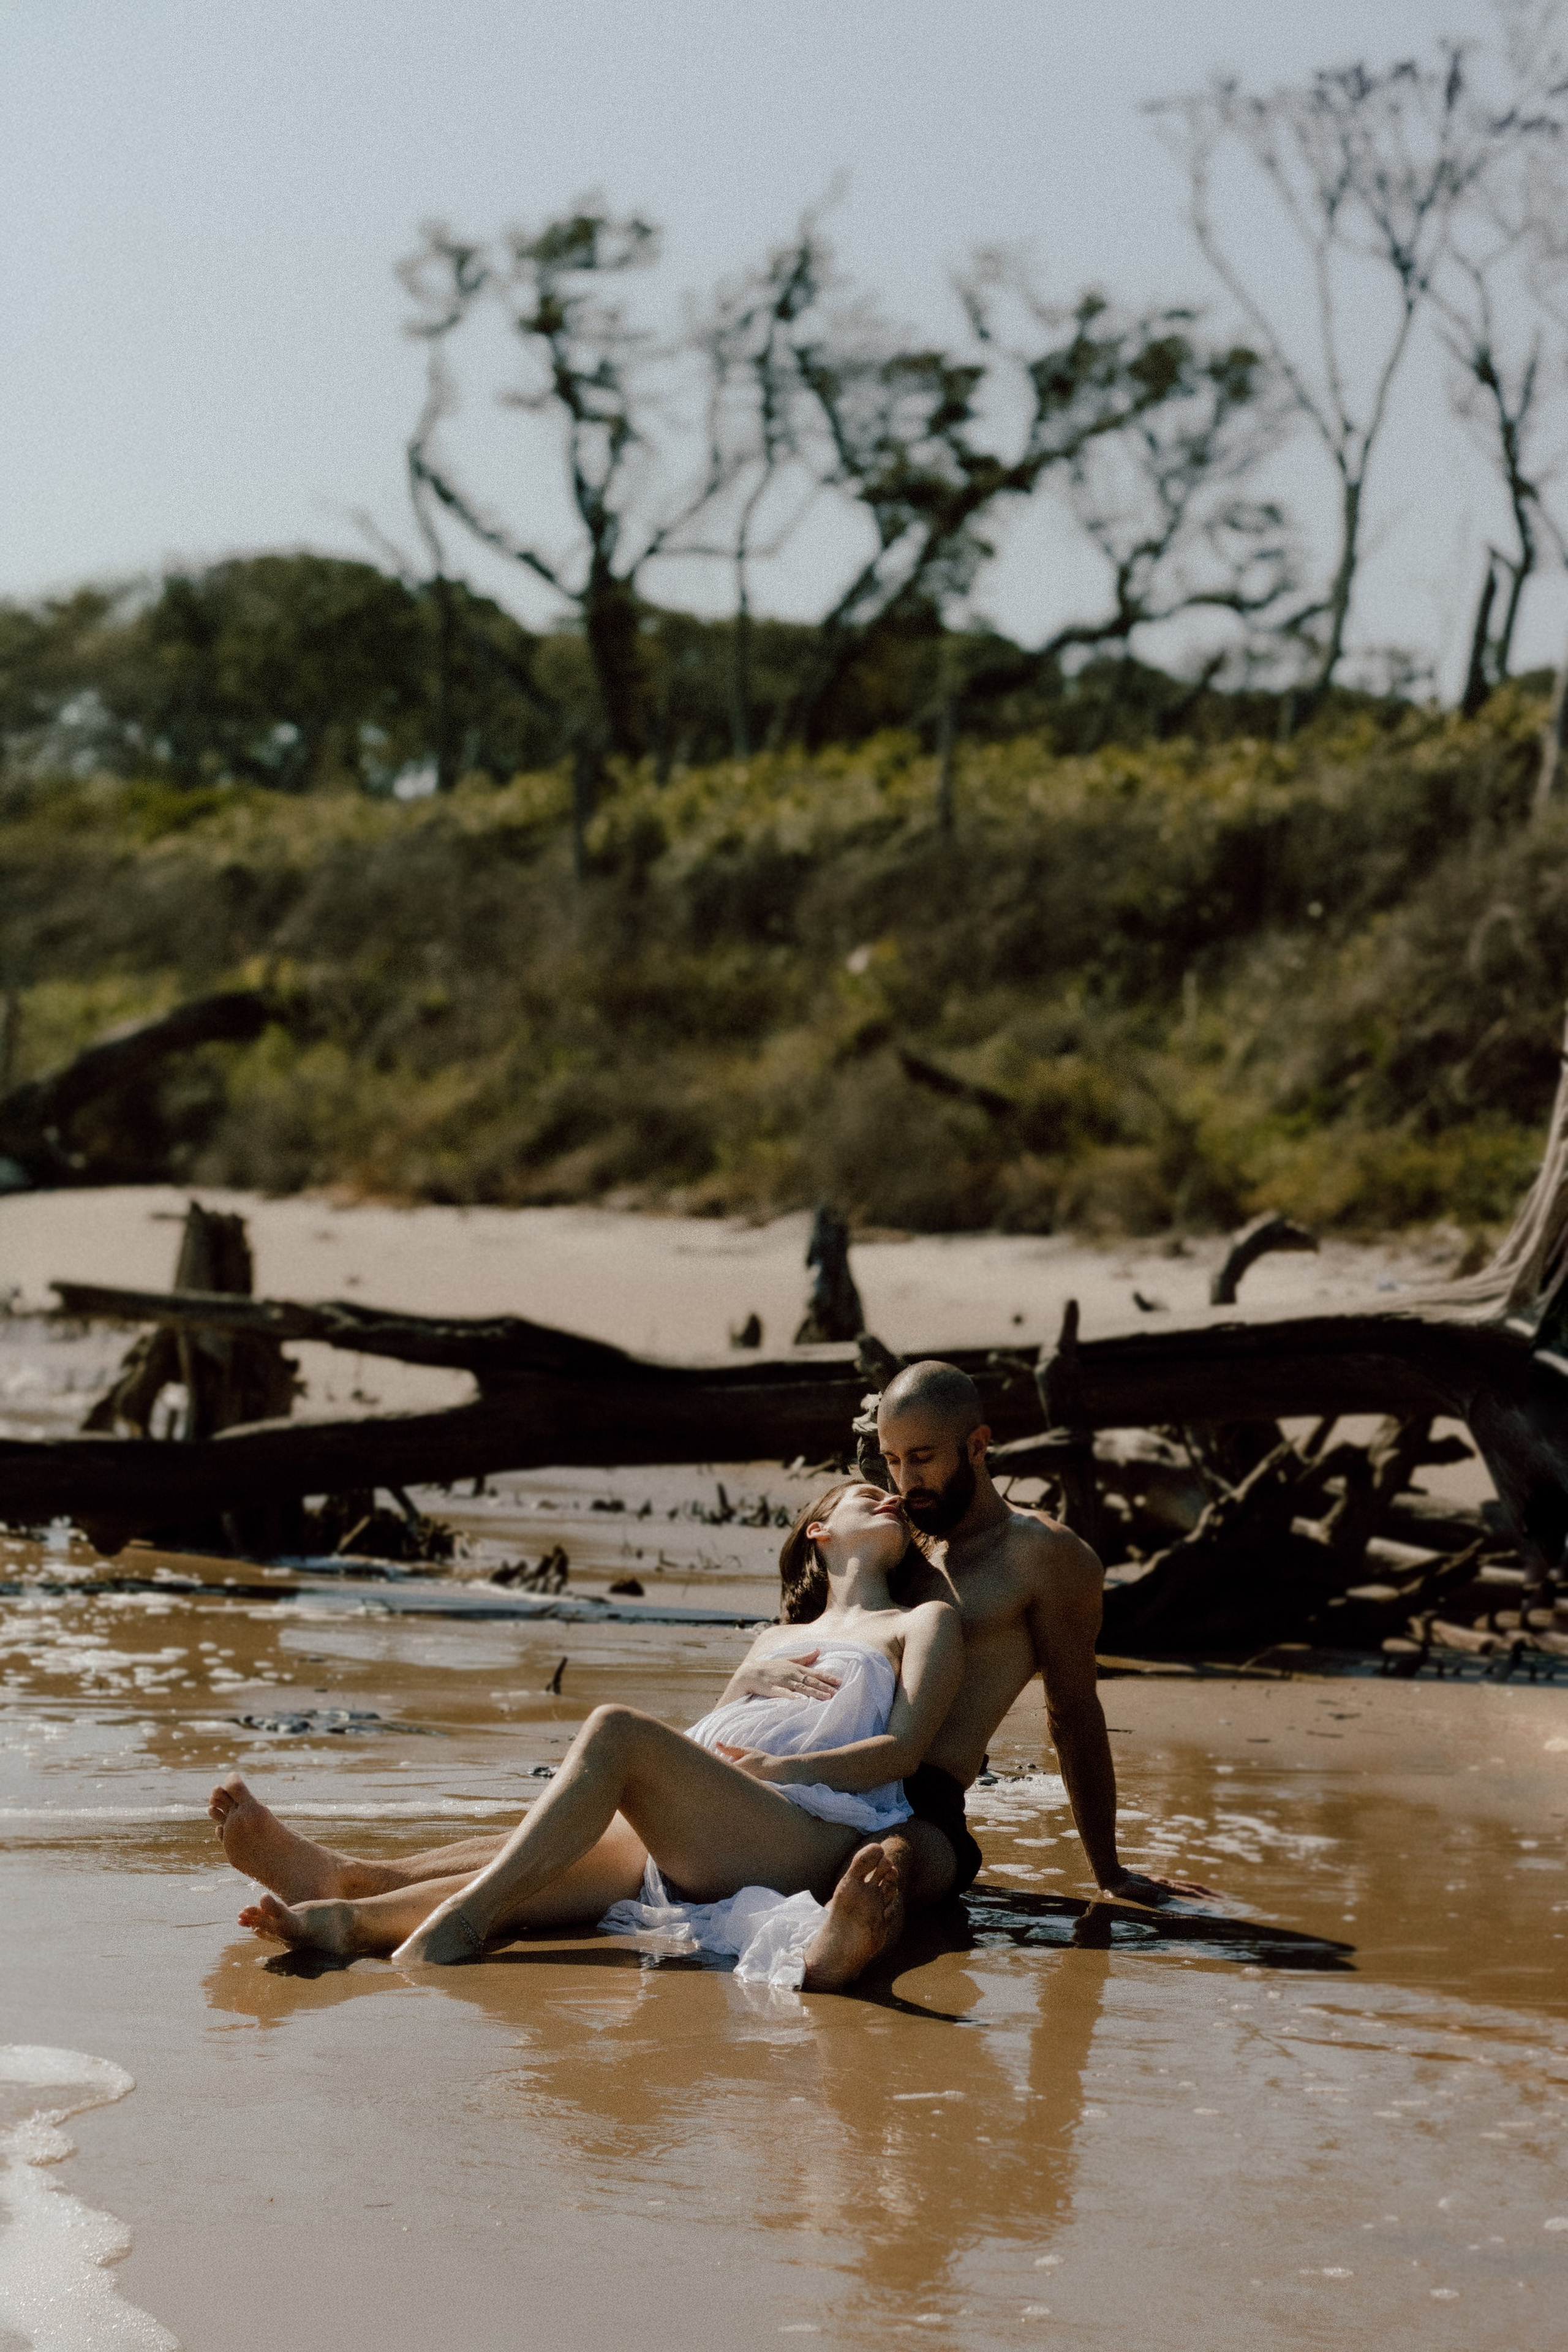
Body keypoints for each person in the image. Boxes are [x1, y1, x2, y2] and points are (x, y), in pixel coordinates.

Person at [216, 1480, 962, 1989]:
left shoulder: (921, 1622)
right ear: (820, 1532)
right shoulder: (775, 1636)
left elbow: (900, 1751)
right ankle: (348, 1906)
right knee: (538, 1868)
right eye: (870, 1495)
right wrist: (739, 1692)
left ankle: (459, 1923)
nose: (891, 1498)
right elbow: (711, 1736)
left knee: (615, 1731)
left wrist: (774, 1770)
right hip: (708, 1826)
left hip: (811, 1825)